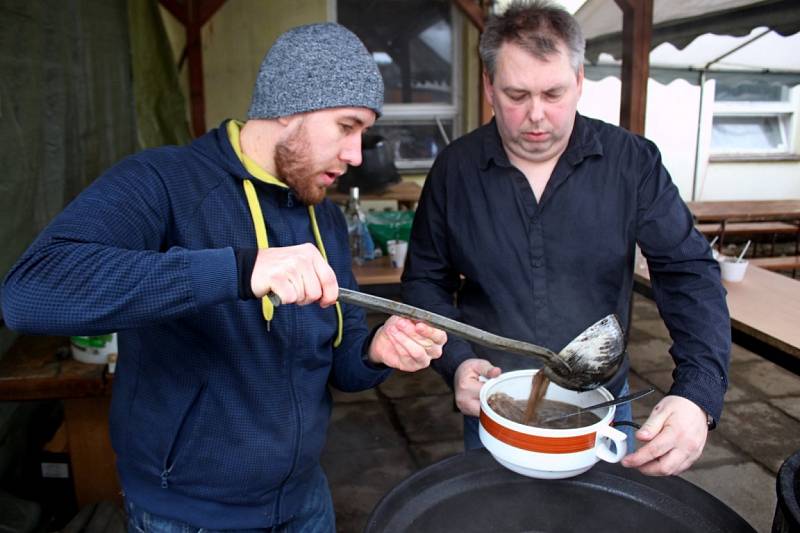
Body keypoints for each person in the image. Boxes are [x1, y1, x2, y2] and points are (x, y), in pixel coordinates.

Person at [2, 23, 447, 531]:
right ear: (288, 103)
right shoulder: (164, 181)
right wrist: (240, 268)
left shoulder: (319, 213)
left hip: (305, 503)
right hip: (189, 516)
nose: (356, 155)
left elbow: (339, 364)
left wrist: (376, 350)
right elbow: (30, 290)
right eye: (347, 126)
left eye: (364, 132)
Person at [401, 0, 730, 477]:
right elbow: (425, 283)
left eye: (553, 93)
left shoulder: (631, 162)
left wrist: (698, 394)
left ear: (579, 81)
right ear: (490, 87)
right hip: (495, 405)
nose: (536, 116)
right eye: (516, 95)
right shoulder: (456, 169)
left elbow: (688, 272)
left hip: (601, 404)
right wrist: (456, 362)